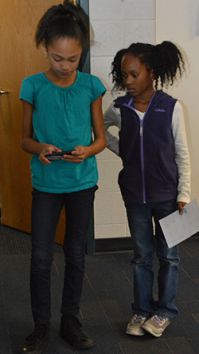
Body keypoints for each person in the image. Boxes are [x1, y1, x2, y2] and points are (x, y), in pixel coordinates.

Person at [20, 1, 106, 351]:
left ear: (82, 51)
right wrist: (39, 147)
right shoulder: (31, 86)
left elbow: (100, 139)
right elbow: (24, 139)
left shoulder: (92, 86)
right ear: (45, 48)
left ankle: (70, 320)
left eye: (73, 59)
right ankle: (40, 324)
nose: (66, 66)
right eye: (58, 58)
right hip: (46, 184)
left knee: (75, 254)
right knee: (40, 257)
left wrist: (88, 150)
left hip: (82, 183)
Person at [104, 41, 191, 338]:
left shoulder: (172, 107)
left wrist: (184, 194)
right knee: (141, 256)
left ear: (150, 73)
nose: (126, 81)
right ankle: (141, 309)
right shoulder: (120, 107)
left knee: (170, 257)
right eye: (123, 75)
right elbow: (101, 132)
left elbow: (183, 154)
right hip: (135, 196)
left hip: (168, 197)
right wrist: (124, 152)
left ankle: (165, 311)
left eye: (132, 74)